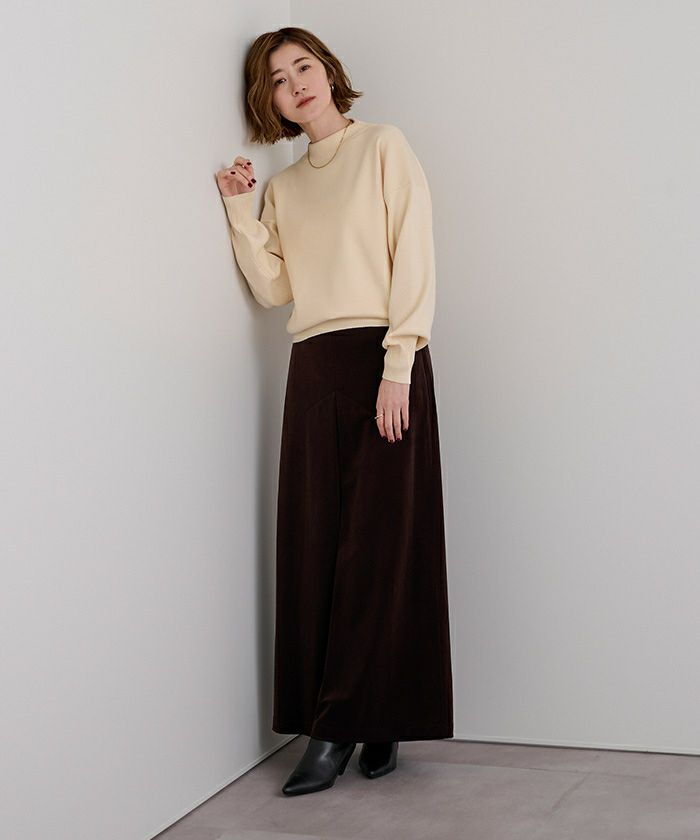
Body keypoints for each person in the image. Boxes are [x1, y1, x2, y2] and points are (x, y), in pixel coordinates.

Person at [215, 26, 453, 797]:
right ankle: (369, 715)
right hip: (313, 368)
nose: (296, 85)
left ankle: (340, 725)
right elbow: (276, 289)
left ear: (328, 70)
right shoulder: (285, 188)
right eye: (279, 81)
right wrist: (243, 211)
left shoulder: (383, 146)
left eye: (303, 67)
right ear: (271, 102)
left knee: (382, 546)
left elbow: (414, 254)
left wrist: (399, 364)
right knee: (318, 544)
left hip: (383, 358)